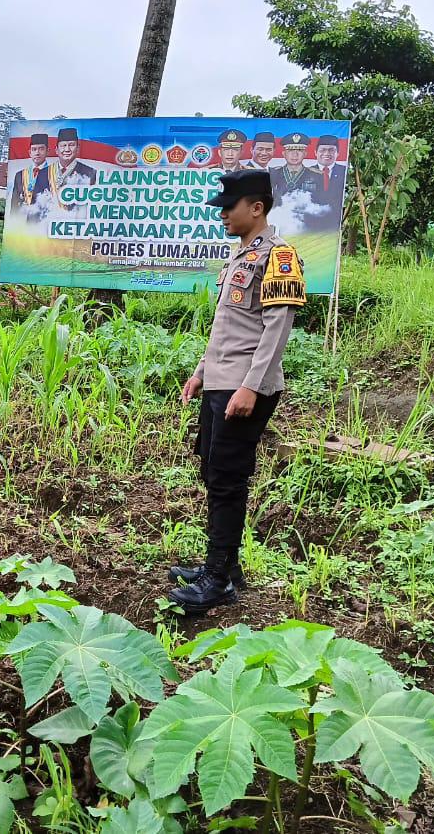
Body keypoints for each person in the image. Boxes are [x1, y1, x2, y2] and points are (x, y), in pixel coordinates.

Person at [170, 169, 307, 612]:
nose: (223, 214)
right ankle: (224, 567)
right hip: (221, 381)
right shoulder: (238, 256)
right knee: (214, 471)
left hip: (244, 387)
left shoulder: (279, 257)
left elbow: (275, 329)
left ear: (257, 207)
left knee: (227, 480)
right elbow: (226, 326)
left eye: (229, 207)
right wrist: (201, 372)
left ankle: (217, 580)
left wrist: (250, 387)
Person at [10, 132, 59, 223]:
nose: (37, 153)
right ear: (30, 152)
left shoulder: (55, 174)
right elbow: (14, 205)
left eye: (41, 149)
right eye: (34, 149)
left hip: (43, 225)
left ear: (48, 151)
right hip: (20, 225)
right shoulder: (20, 175)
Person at [307, 134, 347, 230]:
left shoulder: (345, 172)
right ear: (315, 152)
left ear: (337, 153)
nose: (327, 153)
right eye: (323, 150)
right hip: (309, 222)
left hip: (335, 223)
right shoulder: (306, 172)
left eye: (331, 150)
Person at [269, 132, 322, 204]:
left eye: (299, 150)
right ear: (284, 154)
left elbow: (321, 200)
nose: (295, 154)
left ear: (305, 154)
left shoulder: (317, 175)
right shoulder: (273, 173)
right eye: (290, 150)